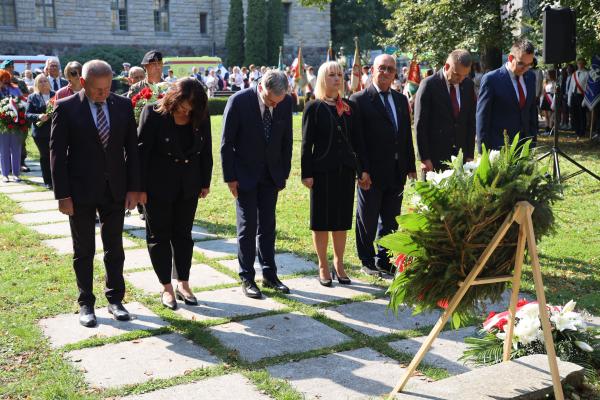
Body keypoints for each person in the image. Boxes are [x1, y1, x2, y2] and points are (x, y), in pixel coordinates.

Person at [50, 60, 141, 327]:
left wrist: (134, 188)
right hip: (80, 191)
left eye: (107, 87)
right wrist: (62, 195)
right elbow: (57, 154)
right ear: (83, 83)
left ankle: (115, 299)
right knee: (84, 250)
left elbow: (132, 150)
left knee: (115, 247)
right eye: (97, 89)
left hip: (115, 189)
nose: (103, 93)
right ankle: (86, 303)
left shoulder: (123, 105)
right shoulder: (66, 108)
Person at [137, 78, 212, 310]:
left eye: (191, 105)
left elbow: (206, 151)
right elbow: (141, 154)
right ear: (174, 97)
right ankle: (166, 287)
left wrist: (205, 181)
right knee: (159, 237)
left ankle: (183, 283)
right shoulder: (153, 114)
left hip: (188, 186)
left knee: (183, 236)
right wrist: (139, 189)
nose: (185, 109)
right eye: (182, 103)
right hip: (157, 188)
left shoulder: (200, 117)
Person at [221, 70, 293, 298]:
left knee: (268, 227)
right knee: (248, 227)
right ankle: (247, 277)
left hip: (271, 176)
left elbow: (287, 140)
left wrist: (283, 174)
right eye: (270, 100)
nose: (273, 105)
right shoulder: (239, 101)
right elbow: (226, 143)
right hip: (245, 176)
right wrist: (230, 177)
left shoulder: (284, 102)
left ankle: (270, 275)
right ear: (262, 86)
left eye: (277, 102)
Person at [301, 61, 369, 286]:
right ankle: (323, 265)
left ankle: (339, 263)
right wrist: (306, 173)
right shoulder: (313, 107)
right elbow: (306, 144)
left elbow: (359, 142)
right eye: (332, 75)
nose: (337, 79)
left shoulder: (350, 107)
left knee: (341, 221)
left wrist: (363, 170)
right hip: (321, 173)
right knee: (321, 221)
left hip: (345, 172)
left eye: (340, 74)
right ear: (322, 79)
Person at [350, 54, 417, 277]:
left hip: (396, 170)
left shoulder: (399, 100)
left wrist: (410, 165)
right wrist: (362, 171)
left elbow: (406, 134)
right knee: (367, 218)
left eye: (390, 69)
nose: (386, 72)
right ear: (372, 70)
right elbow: (356, 140)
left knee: (391, 218)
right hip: (371, 172)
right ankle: (367, 260)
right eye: (382, 68)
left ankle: (385, 259)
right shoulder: (359, 100)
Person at [414, 49, 476, 173]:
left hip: (461, 156)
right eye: (457, 74)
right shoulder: (429, 85)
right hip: (435, 157)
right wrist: (425, 158)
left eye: (465, 75)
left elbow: (470, 121)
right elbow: (420, 124)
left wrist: (470, 155)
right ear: (447, 66)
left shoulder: (468, 85)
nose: (461, 79)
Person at [476, 39, 538, 152]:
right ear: (510, 58)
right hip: (499, 146)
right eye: (521, 64)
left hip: (525, 145)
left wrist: (533, 140)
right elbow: (482, 116)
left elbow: (532, 110)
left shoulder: (530, 77)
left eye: (529, 64)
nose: (525, 69)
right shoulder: (491, 79)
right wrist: (482, 149)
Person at [25, 74, 55, 188]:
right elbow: (27, 115)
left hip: (55, 131)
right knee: (45, 156)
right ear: (36, 84)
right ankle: (48, 181)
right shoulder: (32, 97)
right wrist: (38, 116)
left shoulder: (56, 95)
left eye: (45, 81)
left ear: (49, 82)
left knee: (56, 156)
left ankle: (57, 179)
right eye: (40, 82)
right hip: (40, 133)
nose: (43, 83)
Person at [0, 69, 24, 183]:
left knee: (16, 149)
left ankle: (16, 174)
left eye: (6, 78)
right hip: (2, 124)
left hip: (16, 123)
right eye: (2, 79)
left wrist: (18, 105)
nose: (4, 81)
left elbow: (22, 101)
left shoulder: (15, 88)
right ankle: (5, 174)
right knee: (3, 149)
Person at [567, 58, 589, 137]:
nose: (580, 65)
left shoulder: (587, 74)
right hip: (574, 96)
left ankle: (582, 132)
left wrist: (585, 99)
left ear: (584, 64)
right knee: (574, 114)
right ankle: (576, 131)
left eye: (581, 63)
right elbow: (570, 88)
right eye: (578, 63)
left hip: (581, 96)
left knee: (581, 115)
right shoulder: (574, 74)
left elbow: (587, 88)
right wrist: (569, 99)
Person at [540, 70, 557, 136]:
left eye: (548, 74)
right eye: (547, 74)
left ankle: (550, 130)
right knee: (546, 116)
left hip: (551, 99)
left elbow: (555, 92)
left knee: (550, 116)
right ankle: (546, 130)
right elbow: (543, 92)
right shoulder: (545, 82)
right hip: (545, 99)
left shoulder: (555, 82)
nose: (547, 75)